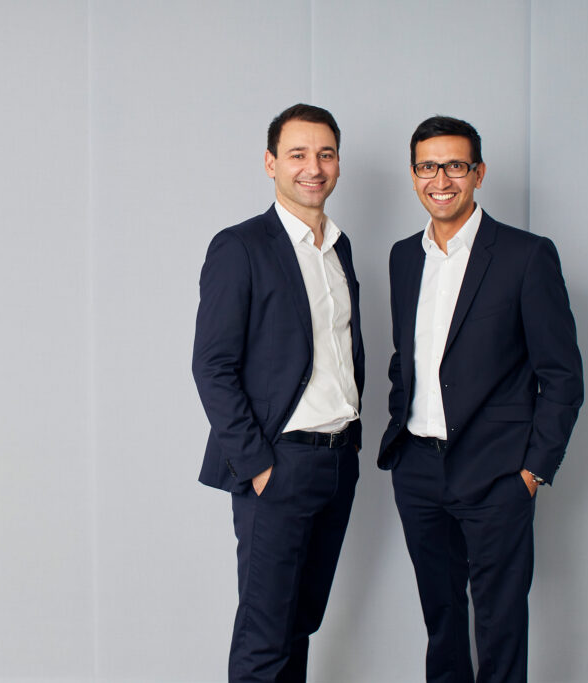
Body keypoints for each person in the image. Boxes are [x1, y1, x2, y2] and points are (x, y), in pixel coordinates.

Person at [379, 115, 583, 682]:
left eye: (455, 166)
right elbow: (406, 357)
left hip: (497, 474)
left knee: (499, 627)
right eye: (427, 166)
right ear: (413, 175)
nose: (440, 179)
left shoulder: (525, 256)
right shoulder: (403, 257)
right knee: (442, 624)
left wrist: (532, 471)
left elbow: (562, 375)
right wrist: (402, 435)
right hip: (418, 470)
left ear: (478, 173)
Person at [193, 103, 364, 683]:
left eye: (325, 154)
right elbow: (212, 365)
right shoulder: (240, 247)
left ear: (337, 163)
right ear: (271, 163)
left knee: (299, 626)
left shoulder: (339, 248)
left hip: (337, 463)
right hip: (279, 465)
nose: (313, 167)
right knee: (264, 639)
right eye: (298, 154)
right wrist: (260, 467)